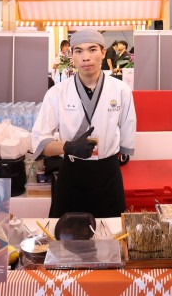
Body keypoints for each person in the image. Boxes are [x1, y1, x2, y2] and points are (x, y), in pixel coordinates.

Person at [31, 28, 136, 218]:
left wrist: (120, 152)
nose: (86, 57)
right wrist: (68, 146)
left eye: (92, 49)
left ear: (103, 52)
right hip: (72, 172)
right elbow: (39, 141)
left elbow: (128, 128)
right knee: (67, 232)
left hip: (108, 173)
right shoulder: (57, 93)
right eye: (78, 51)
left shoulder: (121, 90)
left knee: (111, 230)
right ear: (72, 56)